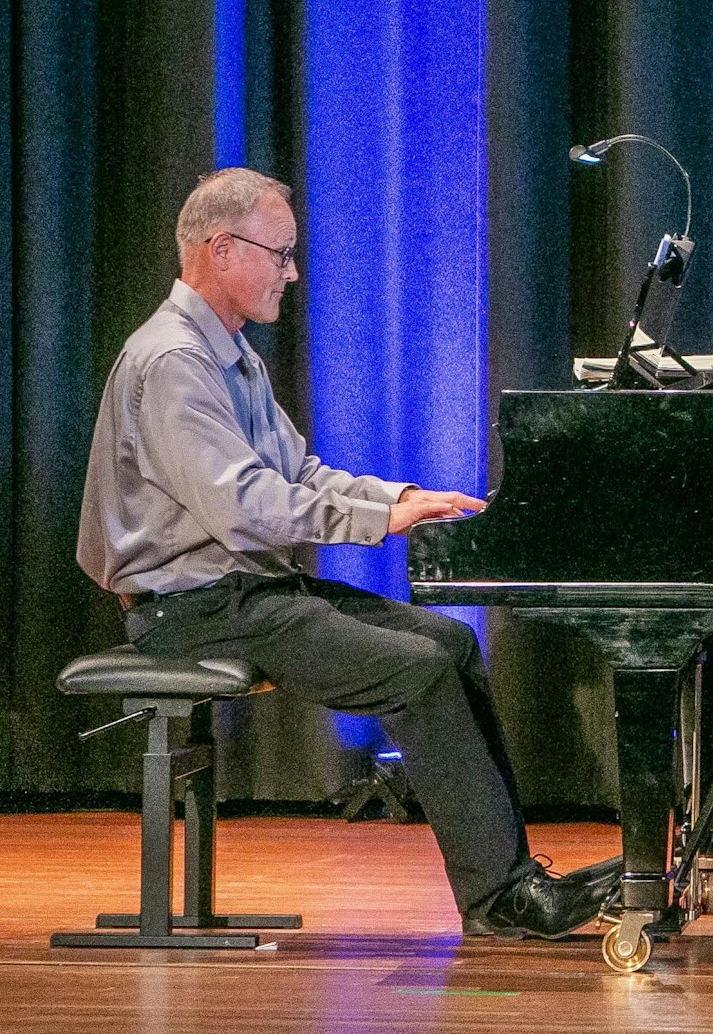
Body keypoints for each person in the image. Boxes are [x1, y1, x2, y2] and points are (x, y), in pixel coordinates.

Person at [76, 167, 617, 940]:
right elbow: (247, 507)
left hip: (244, 595)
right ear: (222, 249)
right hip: (190, 610)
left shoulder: (230, 354)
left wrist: (400, 497)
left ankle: (516, 875)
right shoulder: (174, 362)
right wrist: (380, 523)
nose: (292, 273)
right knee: (417, 669)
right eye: (282, 253)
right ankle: (498, 898)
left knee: (450, 640)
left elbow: (298, 474)